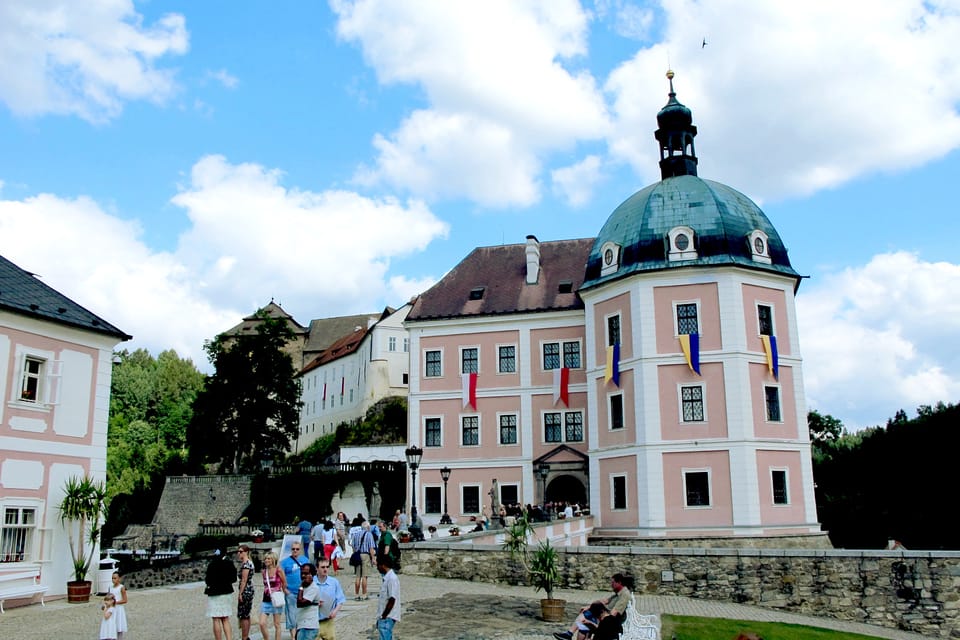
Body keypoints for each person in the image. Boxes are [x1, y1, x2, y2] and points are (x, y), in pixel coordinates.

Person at [554, 573, 633, 640]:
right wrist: (589, 606)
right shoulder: (618, 592)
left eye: (612, 583)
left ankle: (569, 633)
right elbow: (605, 601)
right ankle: (569, 634)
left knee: (585, 618)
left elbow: (613, 614)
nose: (611, 585)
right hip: (604, 616)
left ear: (619, 582)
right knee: (584, 620)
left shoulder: (624, 595)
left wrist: (596, 618)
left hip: (609, 622)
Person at [205, 549, 237, 640]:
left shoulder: (211, 564)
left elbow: (207, 580)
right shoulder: (229, 563)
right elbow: (234, 579)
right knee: (225, 618)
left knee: (216, 619)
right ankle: (229, 638)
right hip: (226, 591)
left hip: (214, 592)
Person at [281, 541, 308, 640]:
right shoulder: (285, 562)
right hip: (290, 592)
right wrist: (284, 589)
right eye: (293, 549)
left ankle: (300, 634)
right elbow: (280, 576)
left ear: (300, 550)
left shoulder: (305, 560)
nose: (295, 551)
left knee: (302, 614)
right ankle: (293, 636)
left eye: (297, 549)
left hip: (303, 591)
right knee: (291, 614)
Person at [314, 559, 346, 640]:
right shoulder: (311, 582)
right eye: (322, 567)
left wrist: (335, 611)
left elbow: (340, 600)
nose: (325, 569)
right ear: (317, 568)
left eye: (327, 567)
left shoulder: (334, 582)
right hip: (313, 621)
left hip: (328, 620)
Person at [259, 551, 286, 640]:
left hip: (276, 598)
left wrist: (282, 590)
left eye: (268, 558)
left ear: (273, 559)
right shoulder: (264, 572)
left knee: (277, 623)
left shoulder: (278, 570)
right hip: (266, 598)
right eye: (265, 558)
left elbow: (284, 582)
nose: (266, 560)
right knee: (262, 623)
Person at [375, 555, 401, 640]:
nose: (377, 568)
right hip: (385, 616)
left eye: (378, 565)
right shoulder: (387, 578)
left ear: (383, 565)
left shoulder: (392, 579)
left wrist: (384, 616)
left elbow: (392, 599)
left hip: (387, 617)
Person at [350, 520, 376, 600]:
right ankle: (364, 594)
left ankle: (356, 594)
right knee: (364, 576)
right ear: (368, 527)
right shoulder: (369, 534)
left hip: (357, 554)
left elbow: (353, 547)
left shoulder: (356, 535)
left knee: (358, 576)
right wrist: (373, 558)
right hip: (365, 555)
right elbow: (371, 548)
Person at [294, 563, 320, 640]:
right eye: (302, 573)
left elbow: (300, 603)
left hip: (309, 627)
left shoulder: (314, 588)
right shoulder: (305, 587)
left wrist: (301, 587)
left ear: (312, 574)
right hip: (301, 625)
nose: (303, 576)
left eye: (306, 574)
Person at [237, 545, 256, 640]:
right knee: (246, 614)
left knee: (244, 615)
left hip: (246, 590)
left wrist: (240, 593)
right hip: (249, 589)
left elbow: (244, 580)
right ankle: (246, 636)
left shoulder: (246, 564)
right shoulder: (249, 563)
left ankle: (244, 637)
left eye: (241, 551)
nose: (239, 553)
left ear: (246, 552)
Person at [107, 571, 128, 640]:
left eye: (115, 578)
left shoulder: (121, 587)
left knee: (119, 625)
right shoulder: (110, 587)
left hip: (118, 609)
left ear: (119, 578)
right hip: (111, 608)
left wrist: (115, 602)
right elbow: (108, 598)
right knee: (111, 625)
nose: (113, 580)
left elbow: (125, 600)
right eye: (112, 578)